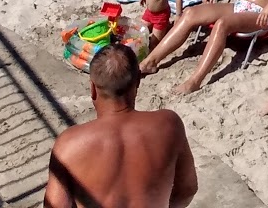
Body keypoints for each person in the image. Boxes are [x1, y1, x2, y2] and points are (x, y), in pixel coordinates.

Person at [42, 44, 198, 208]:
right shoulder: (169, 124)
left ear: (93, 88)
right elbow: (187, 189)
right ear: (137, 81)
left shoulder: (70, 144)